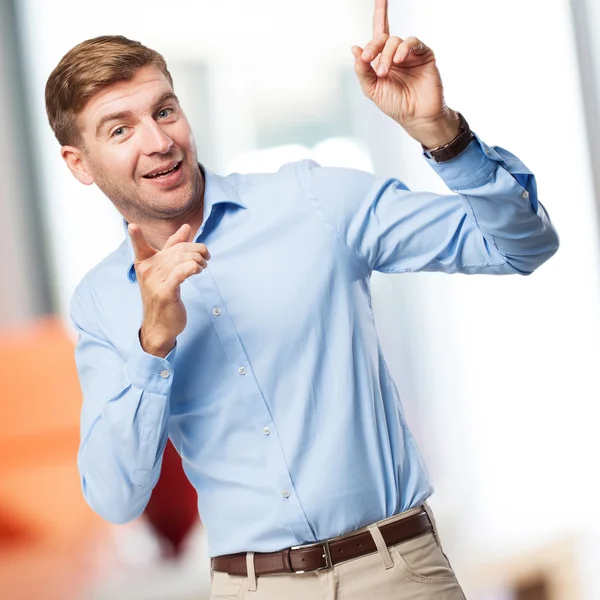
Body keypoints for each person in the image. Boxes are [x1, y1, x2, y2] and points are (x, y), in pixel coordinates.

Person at [45, 1, 559, 598]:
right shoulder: (101, 302)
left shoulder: (312, 200)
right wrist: (151, 342)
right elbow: (114, 496)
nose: (159, 141)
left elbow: (519, 246)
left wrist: (441, 133)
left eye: (165, 110)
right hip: (253, 588)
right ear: (79, 164)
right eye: (120, 128)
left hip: (397, 573)